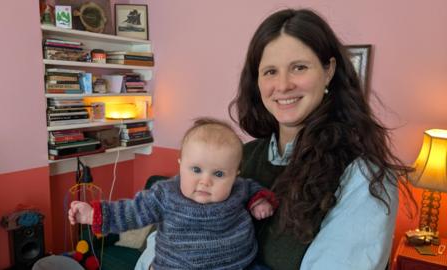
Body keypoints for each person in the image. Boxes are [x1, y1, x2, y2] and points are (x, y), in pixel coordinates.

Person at [136, 8, 414, 270]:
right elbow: (164, 234)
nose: (283, 85)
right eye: (270, 71)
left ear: (328, 70)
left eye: (299, 67)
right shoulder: (238, 158)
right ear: (256, 81)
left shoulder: (363, 178)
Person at [69, 118, 278, 269]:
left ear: (235, 175)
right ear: (180, 166)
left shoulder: (240, 188)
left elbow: (254, 189)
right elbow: (132, 212)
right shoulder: (165, 194)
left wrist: (259, 202)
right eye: (196, 170)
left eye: (219, 173)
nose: (205, 181)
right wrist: (92, 214)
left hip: (240, 263)